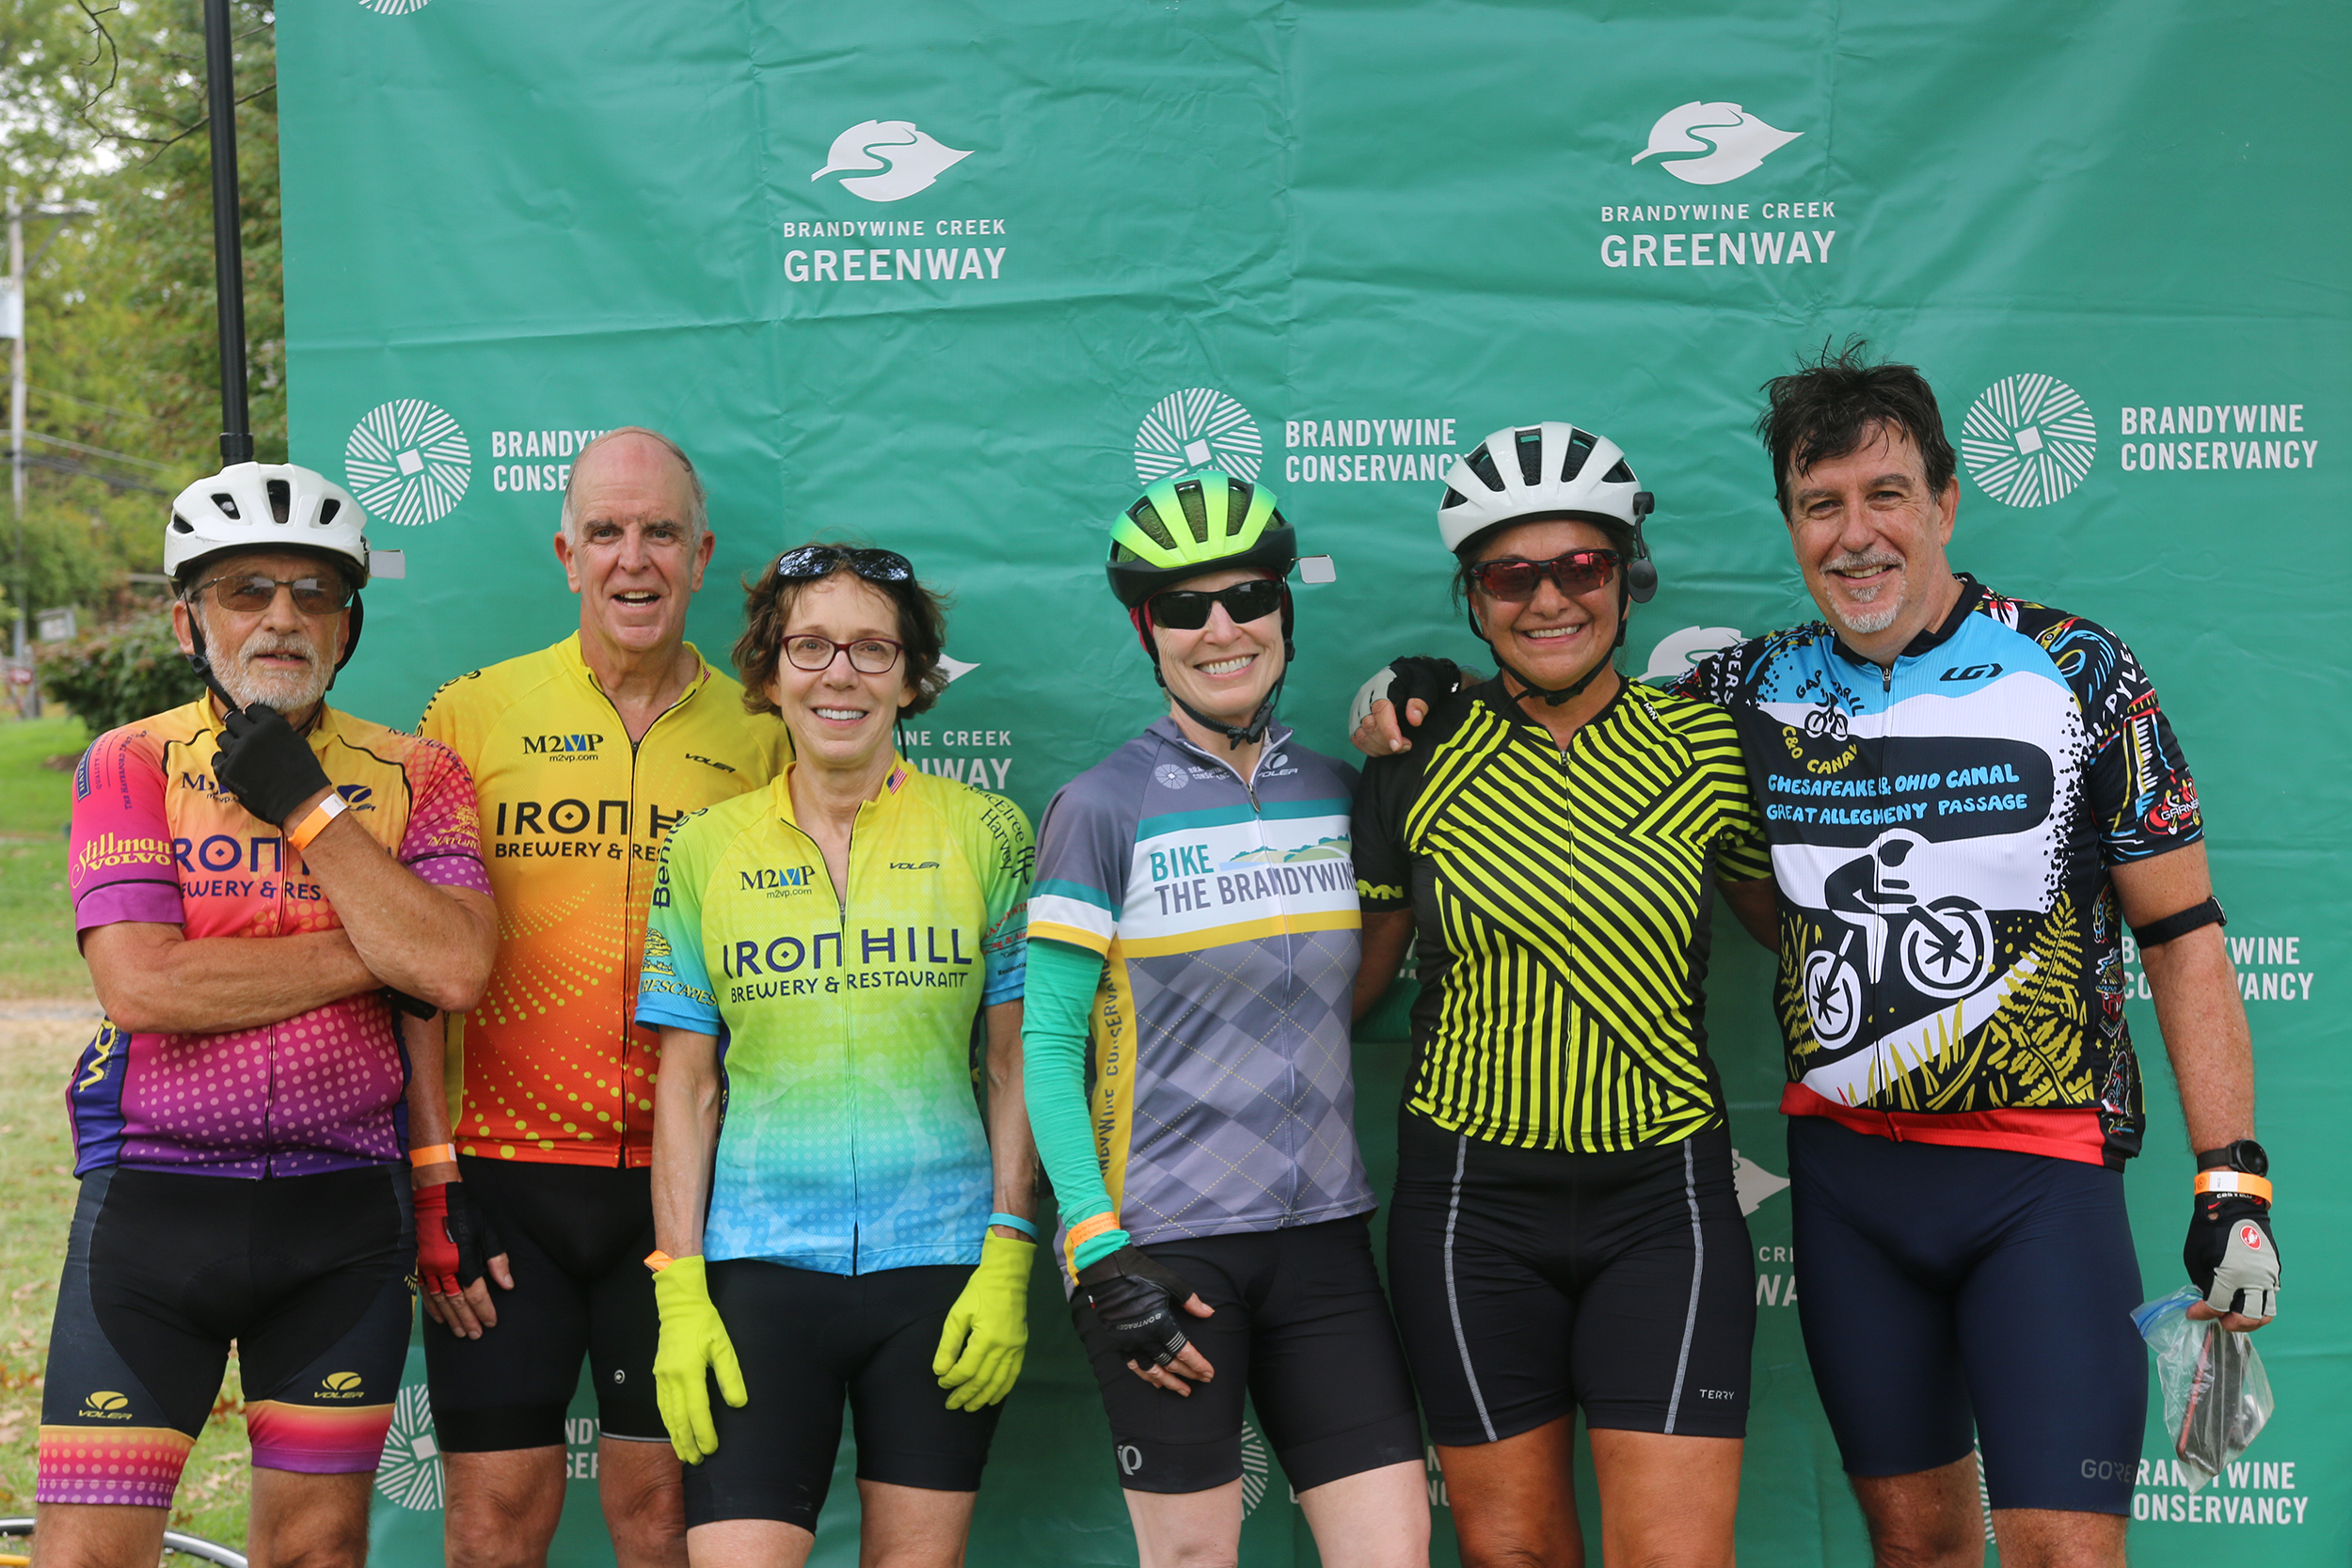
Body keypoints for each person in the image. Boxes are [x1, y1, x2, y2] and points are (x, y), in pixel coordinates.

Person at [1362, 348, 2276, 1568]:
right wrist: (1424, 689)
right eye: (1821, 503)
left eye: (1887, 494)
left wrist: (2233, 1182)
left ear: (1947, 499)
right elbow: (1578, 720)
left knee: (2066, 1547)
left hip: (2038, 1169)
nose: (1857, 534)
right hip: (1850, 1179)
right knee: (1916, 1542)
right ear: (1790, 521)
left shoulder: (2080, 669)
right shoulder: (1749, 691)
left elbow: (2183, 929)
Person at [45, 462, 498, 1568]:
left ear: (349, 626)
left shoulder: (417, 771)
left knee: (317, 1554)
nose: (284, 618)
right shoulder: (132, 759)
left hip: (343, 1218)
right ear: (187, 616)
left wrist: (305, 803)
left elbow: (452, 969)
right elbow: (145, 985)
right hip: (154, 1202)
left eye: (316, 592)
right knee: (87, 1557)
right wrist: (376, 948)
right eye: (247, 589)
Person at [1342, 424, 1775, 1568]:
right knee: (1514, 1556)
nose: (1547, 600)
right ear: (1473, 600)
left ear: (1627, 584)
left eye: (1580, 567)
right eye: (1508, 574)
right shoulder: (1415, 754)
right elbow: (1353, 981)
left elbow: (1806, 937)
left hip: (1663, 1196)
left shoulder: (1708, 744)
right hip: (1468, 1204)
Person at [1023, 471, 1429, 1568]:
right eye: (1183, 606)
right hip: (1163, 1246)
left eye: (1247, 595)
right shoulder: (1102, 805)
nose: (1220, 627)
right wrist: (1098, 1251)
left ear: (1284, 612)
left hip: (1324, 1237)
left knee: (1391, 1551)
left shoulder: (1340, 792)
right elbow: (1046, 1048)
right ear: (1143, 626)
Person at [409, 427, 792, 1568]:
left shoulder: (763, 731)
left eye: (661, 532)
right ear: (567, 552)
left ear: (703, 552)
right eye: (610, 533)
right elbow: (422, 972)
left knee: (663, 1523)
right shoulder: (471, 717)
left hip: (688, 1186)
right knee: (491, 1526)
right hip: (502, 1181)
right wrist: (432, 1174)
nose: (636, 559)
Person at [636, 543, 1038, 1568]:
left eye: (871, 647)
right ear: (768, 677)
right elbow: (687, 1081)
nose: (840, 672)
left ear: (913, 677)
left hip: (941, 1260)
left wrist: (1006, 1248)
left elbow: (1014, 1063)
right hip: (758, 1262)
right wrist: (679, 1287)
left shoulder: (986, 830)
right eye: (809, 646)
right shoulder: (705, 846)